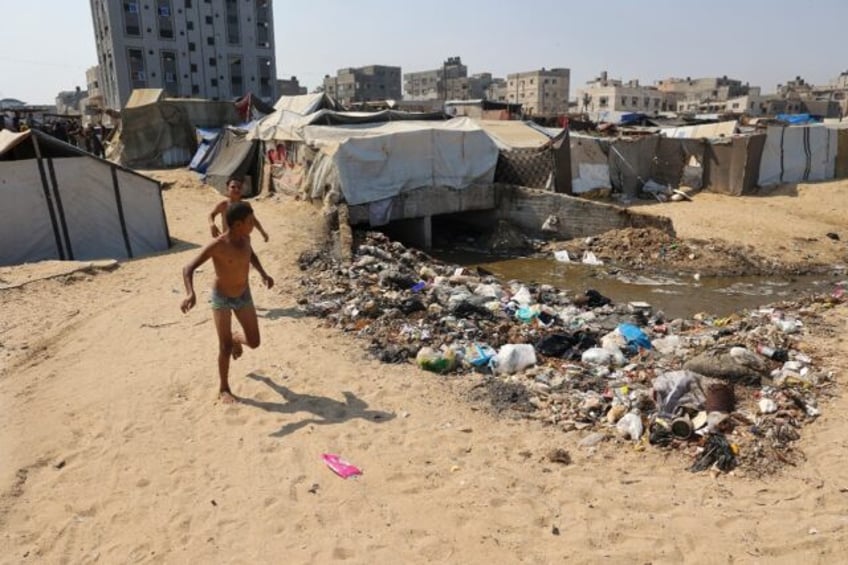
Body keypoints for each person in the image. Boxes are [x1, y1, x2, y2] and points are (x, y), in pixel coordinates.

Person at [181, 201, 274, 403]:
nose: (253, 224)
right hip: (221, 297)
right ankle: (224, 388)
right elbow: (188, 268)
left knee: (254, 342)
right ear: (238, 224)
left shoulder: (246, 238)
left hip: (243, 295)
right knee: (224, 348)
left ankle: (235, 338)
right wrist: (190, 293)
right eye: (250, 221)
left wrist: (263, 274)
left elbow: (251, 255)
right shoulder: (218, 245)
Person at [208, 177, 269, 242]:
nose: (236, 189)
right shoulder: (224, 205)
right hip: (228, 241)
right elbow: (211, 215)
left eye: (239, 187)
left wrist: (262, 232)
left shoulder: (246, 205)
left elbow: (253, 219)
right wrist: (212, 225)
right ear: (227, 188)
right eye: (233, 187)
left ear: (242, 190)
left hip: (243, 240)